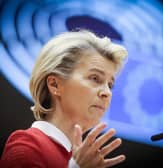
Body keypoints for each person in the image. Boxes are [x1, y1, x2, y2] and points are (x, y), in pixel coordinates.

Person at [0, 29, 128, 168]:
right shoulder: (26, 147)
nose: (107, 92)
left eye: (110, 85)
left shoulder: (85, 161)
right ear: (55, 84)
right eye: (95, 78)